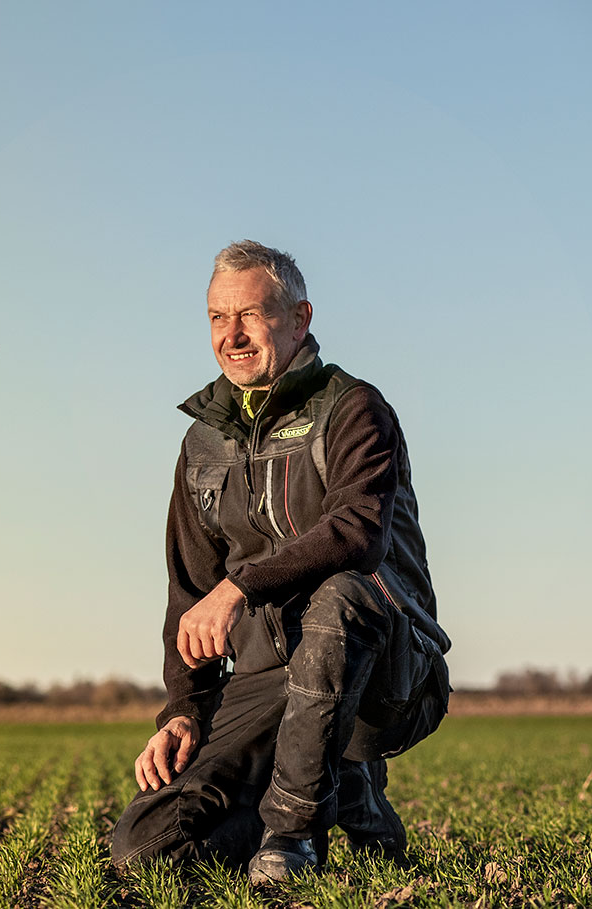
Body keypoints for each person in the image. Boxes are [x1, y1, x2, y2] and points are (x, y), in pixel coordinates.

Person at [108, 240, 452, 884]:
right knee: (148, 849)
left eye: (251, 314)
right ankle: (342, 790)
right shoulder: (202, 441)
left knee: (340, 596)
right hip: (268, 677)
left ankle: (292, 837)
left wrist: (239, 587)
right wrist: (182, 709)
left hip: (385, 667)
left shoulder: (352, 408)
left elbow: (358, 531)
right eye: (217, 317)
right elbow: (189, 592)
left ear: (300, 319)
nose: (231, 335)